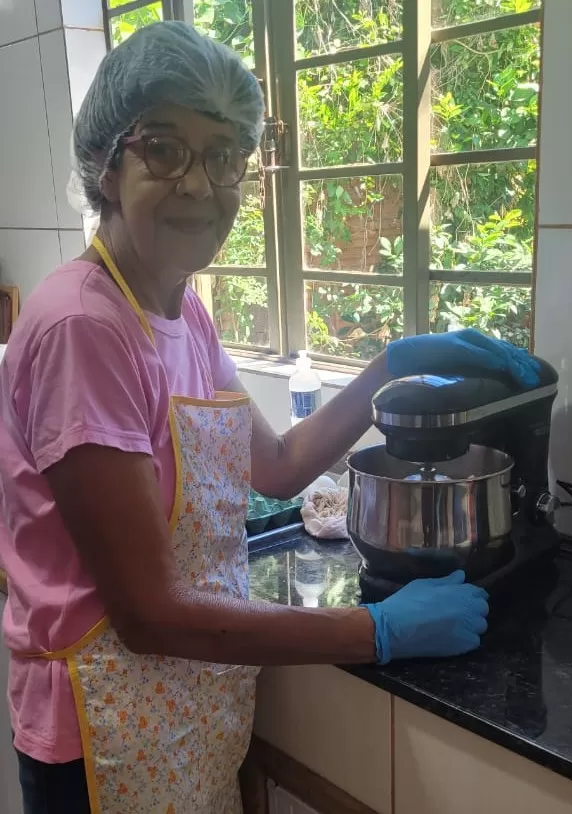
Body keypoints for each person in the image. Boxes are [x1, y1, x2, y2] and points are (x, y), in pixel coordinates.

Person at [0, 21, 541, 814]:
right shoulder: (85, 327)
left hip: (180, 712)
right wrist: (376, 630)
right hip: (101, 735)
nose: (199, 184)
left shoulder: (181, 307)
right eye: (164, 147)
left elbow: (280, 466)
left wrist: (387, 365)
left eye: (224, 155)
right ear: (109, 167)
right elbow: (148, 616)